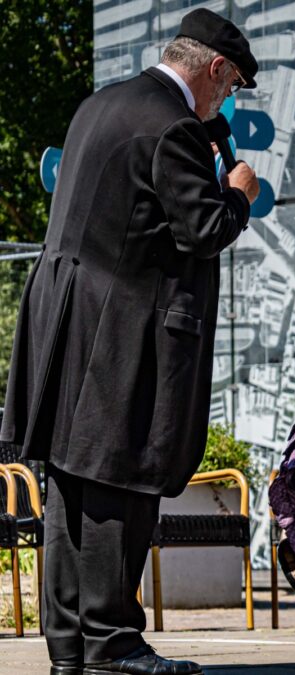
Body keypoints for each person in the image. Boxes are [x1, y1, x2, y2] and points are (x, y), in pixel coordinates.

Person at [0, 9, 259, 675]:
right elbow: (202, 229)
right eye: (231, 87)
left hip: (66, 320)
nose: (226, 101)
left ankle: (72, 648)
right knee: (121, 478)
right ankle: (114, 643)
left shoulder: (99, 105)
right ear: (215, 68)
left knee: (71, 485)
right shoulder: (173, 125)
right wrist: (237, 194)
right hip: (123, 329)